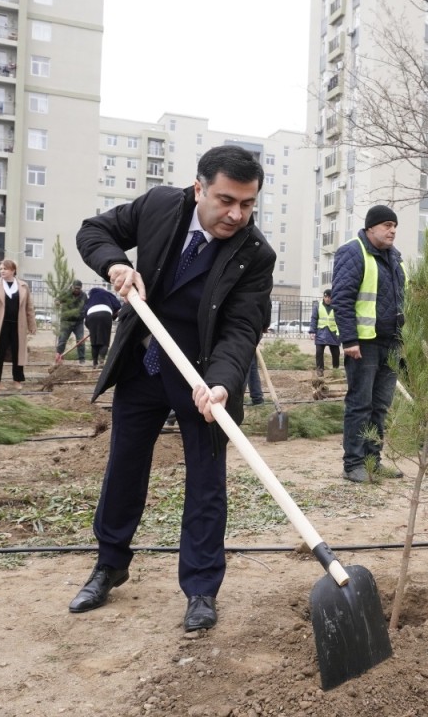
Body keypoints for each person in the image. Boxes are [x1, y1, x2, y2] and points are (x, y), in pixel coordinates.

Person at [70, 145, 274, 633]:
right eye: (226, 200)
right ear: (199, 187)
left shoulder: (254, 254)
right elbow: (93, 230)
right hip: (144, 364)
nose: (236, 214)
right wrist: (116, 265)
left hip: (203, 378)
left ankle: (201, 587)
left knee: (206, 483)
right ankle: (110, 563)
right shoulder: (161, 205)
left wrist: (222, 385)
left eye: (247, 205)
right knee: (124, 468)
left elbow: (241, 330)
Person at [332, 204, 407, 484]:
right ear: (370, 227)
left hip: (391, 343)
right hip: (364, 344)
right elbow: (342, 297)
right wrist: (349, 339)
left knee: (380, 407)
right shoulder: (354, 251)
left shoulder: (394, 257)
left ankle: (373, 461)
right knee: (360, 405)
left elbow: (401, 298)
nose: (392, 230)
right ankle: (353, 464)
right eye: (387, 225)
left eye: (394, 225)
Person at [0, 259, 36, 390]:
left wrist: (32, 324)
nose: (2, 271)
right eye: (0, 269)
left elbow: (29, 307)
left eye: (5, 269)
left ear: (13, 270)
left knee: (18, 352)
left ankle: (17, 380)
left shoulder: (23, 286)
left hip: (18, 325)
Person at [83, 284, 121, 368]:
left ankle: (94, 363)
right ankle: (101, 361)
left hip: (91, 316)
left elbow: (85, 312)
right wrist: (113, 316)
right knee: (104, 340)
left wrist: (91, 329)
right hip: (105, 314)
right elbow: (117, 305)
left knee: (94, 342)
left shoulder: (90, 298)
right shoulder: (106, 294)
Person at [309, 289, 340, 375]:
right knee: (319, 352)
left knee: (336, 353)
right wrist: (312, 331)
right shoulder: (318, 306)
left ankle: (335, 370)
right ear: (323, 297)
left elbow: (340, 320)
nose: (327, 299)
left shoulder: (336, 306)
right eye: (326, 297)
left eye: (329, 297)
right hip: (321, 333)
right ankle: (320, 370)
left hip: (333, 333)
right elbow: (314, 319)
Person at [55, 279, 87, 363]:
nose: (77, 290)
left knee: (80, 341)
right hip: (66, 321)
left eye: (79, 288)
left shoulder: (84, 296)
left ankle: (82, 359)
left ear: (81, 288)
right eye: (75, 288)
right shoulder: (66, 294)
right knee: (62, 339)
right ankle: (59, 356)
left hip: (78, 322)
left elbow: (86, 305)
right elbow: (57, 299)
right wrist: (58, 302)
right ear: (72, 287)